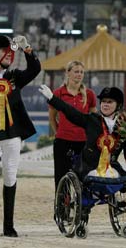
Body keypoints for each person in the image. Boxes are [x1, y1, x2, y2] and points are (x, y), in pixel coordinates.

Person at [0, 35, 41, 237]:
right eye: (7, 51)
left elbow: (35, 70)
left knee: (11, 175)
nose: (10, 56)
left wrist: (27, 49)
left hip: (13, 134)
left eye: (12, 53)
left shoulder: (14, 77)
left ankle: (8, 226)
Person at [40, 85, 126, 179]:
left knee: (123, 179)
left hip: (112, 167)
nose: (105, 104)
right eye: (103, 101)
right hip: (89, 167)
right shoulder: (91, 120)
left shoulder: (124, 127)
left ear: (118, 105)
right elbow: (70, 111)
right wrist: (53, 98)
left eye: (110, 102)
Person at [48, 61, 96, 192]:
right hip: (63, 141)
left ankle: (83, 209)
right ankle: (61, 209)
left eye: (81, 72)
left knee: (84, 178)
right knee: (61, 178)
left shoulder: (90, 95)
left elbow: (93, 119)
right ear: (68, 73)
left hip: (83, 142)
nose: (79, 74)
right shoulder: (58, 93)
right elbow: (52, 117)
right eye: (76, 71)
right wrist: (58, 132)